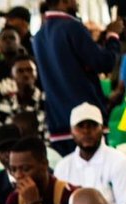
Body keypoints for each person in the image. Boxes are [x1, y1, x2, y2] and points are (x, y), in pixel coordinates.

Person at [32, 0, 120, 154]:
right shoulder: (72, 27)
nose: (77, 3)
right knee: (95, 167)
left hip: (58, 122)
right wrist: (113, 36)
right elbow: (103, 63)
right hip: (86, 121)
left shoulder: (39, 36)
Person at [54, 103, 126, 204]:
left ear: (102, 128)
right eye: (80, 126)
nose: (86, 131)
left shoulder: (120, 161)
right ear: (72, 131)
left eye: (92, 125)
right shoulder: (62, 167)